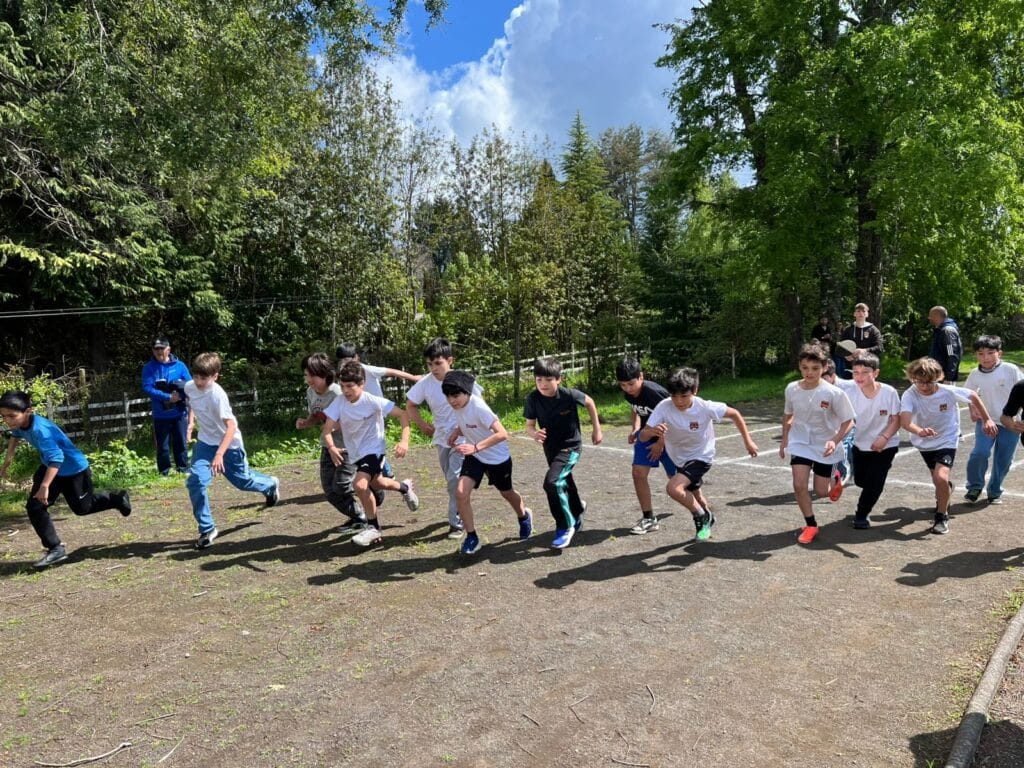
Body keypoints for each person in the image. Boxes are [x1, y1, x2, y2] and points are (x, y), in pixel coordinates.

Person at [0, 390, 132, 568]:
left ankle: (117, 499)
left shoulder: (41, 430)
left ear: (28, 411)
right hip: (50, 467)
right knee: (35, 506)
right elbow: (16, 435)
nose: (7, 420)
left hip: (74, 470)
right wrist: (7, 461)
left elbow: (57, 458)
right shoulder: (20, 424)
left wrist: (45, 486)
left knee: (82, 509)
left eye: (11, 416)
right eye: (3, 416)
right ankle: (55, 549)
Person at [639, 367, 758, 540]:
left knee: (674, 488)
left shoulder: (705, 407)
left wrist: (748, 441)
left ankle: (700, 516)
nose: (678, 401)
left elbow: (735, 414)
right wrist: (651, 432)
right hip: (679, 458)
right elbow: (642, 436)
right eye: (674, 396)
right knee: (695, 495)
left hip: (702, 456)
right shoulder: (664, 407)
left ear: (695, 390)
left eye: (684, 396)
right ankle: (708, 516)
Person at [184, 352, 280, 549]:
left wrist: (220, 454)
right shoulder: (190, 387)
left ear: (215, 376)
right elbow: (192, 400)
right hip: (205, 443)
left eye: (203, 378)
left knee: (243, 482)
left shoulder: (217, 396)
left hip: (229, 444)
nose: (199, 382)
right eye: (196, 376)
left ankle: (270, 484)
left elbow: (231, 426)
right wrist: (190, 423)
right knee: (196, 480)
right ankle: (207, 528)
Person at [321, 361, 419, 547]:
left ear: (362, 384)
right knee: (378, 483)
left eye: (350, 386)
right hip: (356, 453)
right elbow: (326, 431)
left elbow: (403, 415)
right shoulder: (339, 402)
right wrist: (332, 447)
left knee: (359, 484)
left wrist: (404, 441)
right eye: (342, 386)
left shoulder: (372, 401)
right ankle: (405, 488)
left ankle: (373, 528)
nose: (346, 391)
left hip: (374, 450)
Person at [900, 357, 995, 534]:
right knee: (937, 480)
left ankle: (941, 516)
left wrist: (987, 419)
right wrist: (920, 431)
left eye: (929, 382)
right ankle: (946, 492)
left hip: (947, 439)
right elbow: (905, 422)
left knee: (940, 477)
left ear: (938, 378)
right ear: (913, 378)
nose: (924, 386)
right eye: (919, 382)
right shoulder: (909, 394)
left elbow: (973, 396)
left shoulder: (948, 391)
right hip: (924, 442)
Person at [441, 370, 532, 555]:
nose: (451, 400)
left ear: (467, 392)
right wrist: (457, 432)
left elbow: (503, 433)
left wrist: (475, 447)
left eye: (455, 395)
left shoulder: (479, 407)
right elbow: (468, 423)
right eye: (448, 396)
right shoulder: (458, 406)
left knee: (507, 493)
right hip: (475, 456)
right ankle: (472, 537)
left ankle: (524, 516)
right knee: (460, 493)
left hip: (496, 458)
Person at [295, 353, 381, 534]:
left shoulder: (338, 392)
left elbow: (355, 414)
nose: (309, 379)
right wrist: (307, 422)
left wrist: (334, 425)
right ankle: (359, 516)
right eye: (306, 375)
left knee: (341, 485)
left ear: (325, 374)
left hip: (347, 447)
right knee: (330, 490)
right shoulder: (310, 392)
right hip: (328, 446)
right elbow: (316, 415)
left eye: (313, 375)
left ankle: (373, 488)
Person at [779, 343, 855, 545]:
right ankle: (811, 524)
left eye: (815, 368)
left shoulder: (833, 393)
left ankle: (836, 478)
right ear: (799, 366)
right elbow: (788, 415)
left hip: (824, 446)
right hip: (800, 442)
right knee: (799, 484)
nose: (809, 372)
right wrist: (784, 440)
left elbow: (849, 421)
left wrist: (834, 440)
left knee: (822, 492)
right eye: (805, 368)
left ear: (824, 367)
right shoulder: (792, 389)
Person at [405, 338, 482, 540]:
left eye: (438, 363)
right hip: (441, 439)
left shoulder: (463, 380)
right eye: (429, 364)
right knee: (451, 479)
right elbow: (410, 405)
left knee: (454, 479)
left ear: (450, 360)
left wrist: (463, 428)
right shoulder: (425, 383)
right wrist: (422, 425)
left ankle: (457, 524)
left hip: (464, 439)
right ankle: (461, 504)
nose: (433, 368)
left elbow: (480, 405)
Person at [524, 356, 603, 550]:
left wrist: (597, 428)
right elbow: (529, 425)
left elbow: (590, 402)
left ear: (558, 379)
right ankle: (577, 509)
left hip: (571, 446)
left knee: (552, 482)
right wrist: (535, 434)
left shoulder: (568, 395)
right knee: (565, 480)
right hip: (551, 448)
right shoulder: (533, 398)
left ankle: (565, 526)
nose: (543, 384)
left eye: (548, 379)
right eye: (539, 380)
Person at [836, 354, 902, 528]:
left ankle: (861, 514)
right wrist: (835, 439)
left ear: (876, 373)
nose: (859, 376)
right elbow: (847, 420)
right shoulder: (849, 393)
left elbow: (896, 420)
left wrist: (884, 438)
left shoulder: (889, 392)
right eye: (855, 372)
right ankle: (869, 487)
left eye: (865, 372)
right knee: (861, 481)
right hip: (860, 444)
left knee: (875, 481)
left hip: (886, 445)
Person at [614, 357, 677, 535]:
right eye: (623, 385)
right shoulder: (629, 392)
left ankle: (702, 511)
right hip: (646, 435)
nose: (627, 388)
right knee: (638, 473)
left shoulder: (655, 393)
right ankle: (648, 518)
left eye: (631, 384)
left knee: (677, 481)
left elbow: (673, 417)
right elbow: (635, 408)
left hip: (669, 438)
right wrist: (635, 428)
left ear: (641, 377)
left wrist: (660, 443)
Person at [963, 335, 1023, 504]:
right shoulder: (975, 374)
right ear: (975, 355)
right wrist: (973, 410)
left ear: (999, 353)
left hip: (1011, 422)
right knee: (979, 453)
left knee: (1004, 459)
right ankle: (974, 486)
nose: (985, 357)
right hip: (987, 420)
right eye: (981, 354)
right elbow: (968, 394)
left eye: (990, 353)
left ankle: (995, 491)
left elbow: (1022, 391)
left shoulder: (1010, 370)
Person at [141, 337, 192, 475]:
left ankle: (183, 468)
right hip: (160, 414)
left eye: (161, 348)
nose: (159, 351)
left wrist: (179, 396)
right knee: (162, 446)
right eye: (156, 349)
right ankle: (164, 471)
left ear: (168, 349)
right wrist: (168, 397)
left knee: (181, 442)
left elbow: (190, 385)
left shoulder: (180, 366)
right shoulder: (148, 368)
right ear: (153, 351)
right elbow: (147, 388)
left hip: (179, 412)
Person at [335, 342, 421, 398]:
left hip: (376, 409)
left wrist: (413, 377)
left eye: (346, 361)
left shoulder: (367, 369)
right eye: (342, 361)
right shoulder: (343, 374)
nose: (345, 364)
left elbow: (392, 372)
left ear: (356, 357)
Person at [838, 303, 884, 378]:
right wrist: (846, 356)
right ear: (854, 314)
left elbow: (880, 348)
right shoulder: (848, 330)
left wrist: (864, 351)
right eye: (858, 311)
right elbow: (840, 349)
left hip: (868, 367)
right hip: (850, 368)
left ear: (867, 314)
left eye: (863, 311)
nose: (861, 313)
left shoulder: (873, 330)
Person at [928, 306, 963, 383]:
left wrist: (948, 378)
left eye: (930, 315)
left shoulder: (947, 332)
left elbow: (951, 354)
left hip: (944, 378)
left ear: (937, 315)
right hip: (938, 375)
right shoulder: (940, 330)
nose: (929, 318)